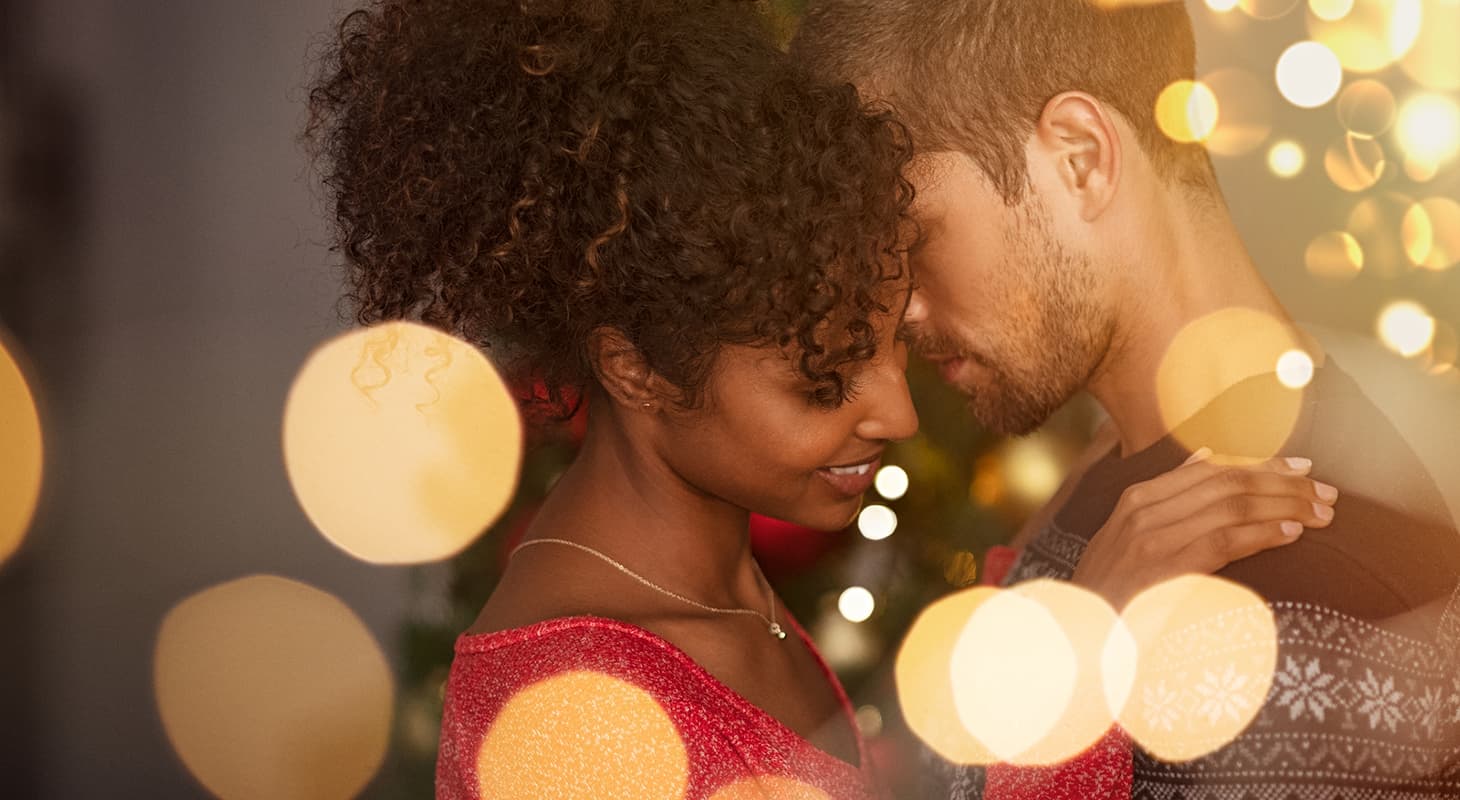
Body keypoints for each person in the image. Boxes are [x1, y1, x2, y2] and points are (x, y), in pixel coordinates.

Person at [305, 1, 1341, 798]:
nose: (895, 410)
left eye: (889, 345)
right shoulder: (569, 717)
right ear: (635, 369)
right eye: (820, 381)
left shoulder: (724, 594)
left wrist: (1033, 563)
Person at [794, 2, 1460, 798]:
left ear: (1081, 158)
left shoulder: (1305, 595)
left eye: (915, 239)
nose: (900, 309)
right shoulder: (1114, 479)